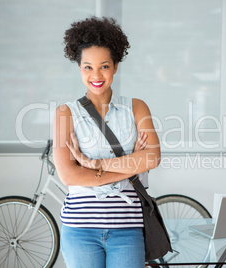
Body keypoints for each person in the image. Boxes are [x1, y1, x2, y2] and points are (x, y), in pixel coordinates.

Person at [53, 16, 161, 268]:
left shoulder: (136, 107)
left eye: (104, 66)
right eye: (87, 67)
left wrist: (93, 164)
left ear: (115, 66)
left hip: (127, 228)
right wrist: (132, 165)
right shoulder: (65, 113)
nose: (96, 75)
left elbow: (152, 158)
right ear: (79, 68)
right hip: (80, 229)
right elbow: (69, 176)